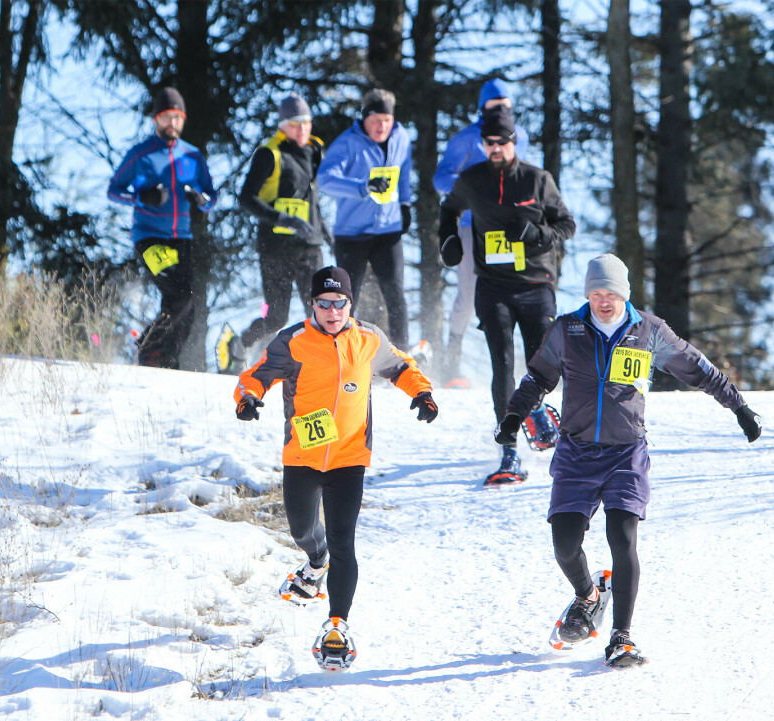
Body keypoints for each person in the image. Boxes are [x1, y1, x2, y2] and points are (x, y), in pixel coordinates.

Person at [495, 254, 764, 667]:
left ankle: (622, 636)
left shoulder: (648, 330)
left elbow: (697, 368)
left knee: (622, 539)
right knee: (565, 543)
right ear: (588, 295)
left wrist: (739, 406)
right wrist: (514, 416)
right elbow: (538, 377)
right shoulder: (567, 329)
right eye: (596, 293)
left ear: (625, 294)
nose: (604, 301)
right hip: (576, 451)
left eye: (612, 293)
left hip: (626, 454)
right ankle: (587, 595)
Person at [233, 266, 438, 670]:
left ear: (349, 304)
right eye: (324, 304)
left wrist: (422, 393)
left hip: (349, 455)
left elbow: (400, 365)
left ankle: (337, 626)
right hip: (303, 455)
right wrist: (248, 398)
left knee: (345, 540)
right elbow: (256, 376)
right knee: (302, 529)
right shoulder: (293, 341)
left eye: (339, 303)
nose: (332, 311)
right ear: (313, 305)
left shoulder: (368, 338)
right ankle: (314, 561)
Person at [438, 106, 576, 484]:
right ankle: (509, 449)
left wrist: (538, 235)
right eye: (488, 142)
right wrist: (448, 240)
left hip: (536, 285)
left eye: (502, 142)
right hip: (493, 285)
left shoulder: (537, 179)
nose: (495, 148)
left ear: (514, 142)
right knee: (502, 363)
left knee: (541, 365)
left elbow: (567, 225)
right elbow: (448, 210)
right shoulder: (472, 179)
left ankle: (538, 408)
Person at [108, 87, 217, 369]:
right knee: (181, 296)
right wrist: (141, 197)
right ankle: (150, 349)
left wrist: (200, 199)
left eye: (178, 117)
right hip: (150, 237)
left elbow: (211, 199)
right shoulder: (141, 154)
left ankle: (166, 360)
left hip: (182, 239)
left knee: (188, 305)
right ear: (156, 119)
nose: (172, 123)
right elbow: (113, 190)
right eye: (167, 117)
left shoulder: (192, 156)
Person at [222, 93, 330, 372]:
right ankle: (240, 344)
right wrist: (284, 219)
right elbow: (246, 198)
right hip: (275, 248)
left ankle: (321, 365)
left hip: (309, 246)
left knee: (319, 309)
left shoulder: (315, 151)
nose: (302, 129)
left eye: (306, 123)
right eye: (295, 124)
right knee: (277, 317)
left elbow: (313, 199)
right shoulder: (268, 153)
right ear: (282, 125)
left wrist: (328, 233)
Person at [433, 79, 530, 386]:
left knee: (513, 294)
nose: (500, 110)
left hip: (508, 231)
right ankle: (453, 360)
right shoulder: (466, 139)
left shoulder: (521, 136)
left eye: (506, 105)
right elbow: (441, 178)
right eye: (494, 105)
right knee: (469, 294)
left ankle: (512, 367)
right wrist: (473, 194)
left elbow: (526, 175)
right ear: (481, 108)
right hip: (471, 228)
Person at [316, 89, 413, 349]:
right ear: (364, 119)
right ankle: (341, 351)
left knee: (395, 293)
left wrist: (405, 204)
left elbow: (403, 172)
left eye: (387, 120)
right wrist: (363, 186)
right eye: (375, 120)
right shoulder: (348, 142)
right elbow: (325, 179)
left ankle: (401, 355)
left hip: (388, 231)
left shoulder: (401, 137)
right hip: (352, 234)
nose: (382, 126)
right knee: (347, 297)